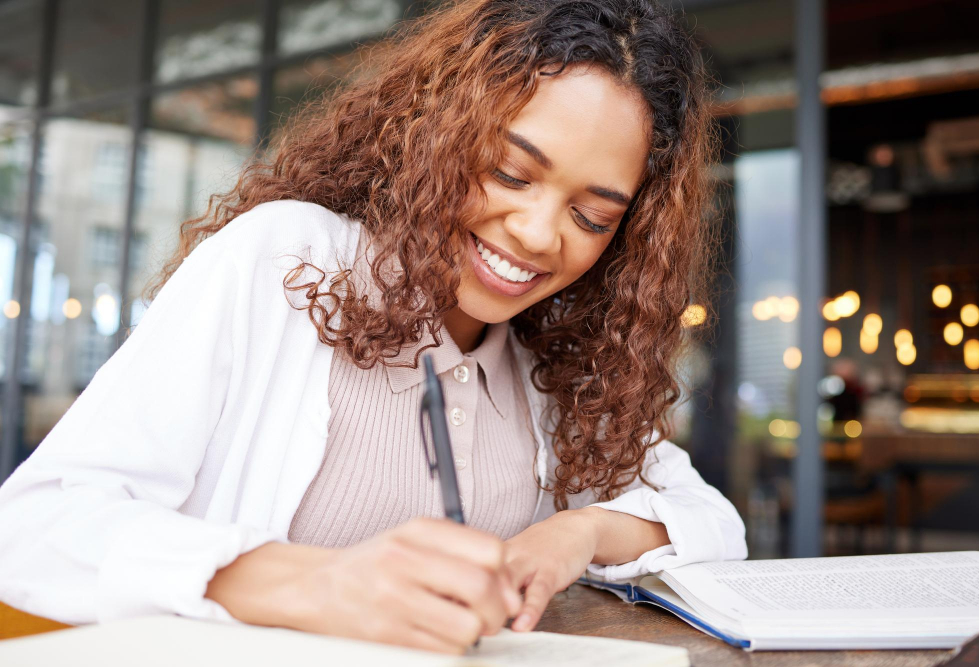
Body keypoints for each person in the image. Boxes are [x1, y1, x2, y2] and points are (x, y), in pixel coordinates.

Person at [0, 0, 746, 655]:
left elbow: (713, 523)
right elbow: (32, 527)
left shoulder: (547, 366)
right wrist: (319, 581)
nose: (539, 232)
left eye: (592, 216)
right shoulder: (289, 262)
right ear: (441, 131)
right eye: (512, 174)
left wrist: (577, 534)